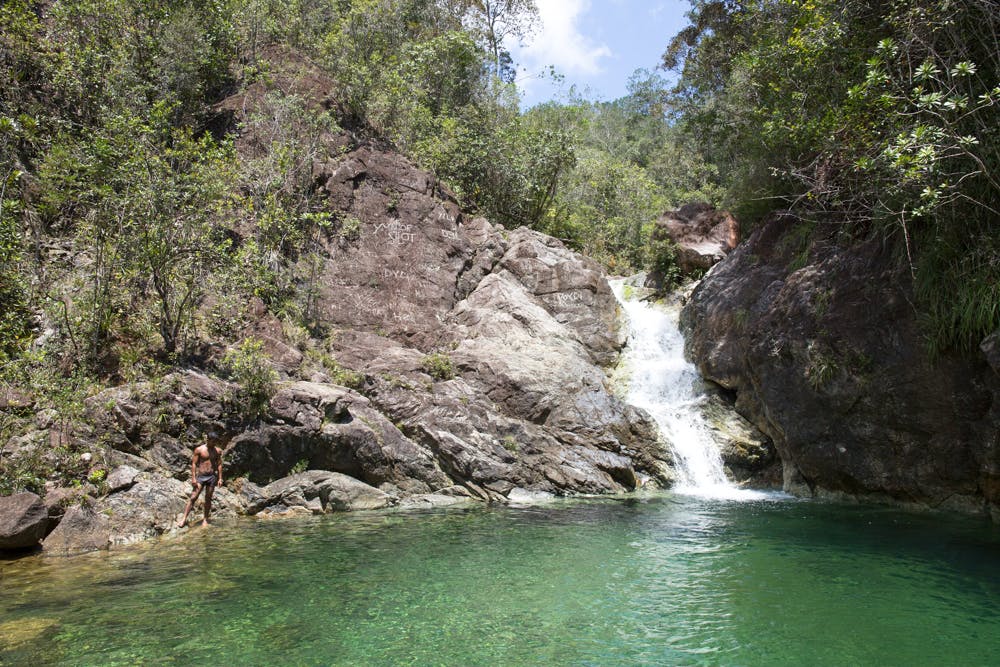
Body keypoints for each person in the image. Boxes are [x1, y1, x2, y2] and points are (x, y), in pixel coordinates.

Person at [177, 435, 225, 528]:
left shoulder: (217, 451)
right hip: (201, 477)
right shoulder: (199, 449)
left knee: (208, 498)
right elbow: (194, 464)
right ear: (208, 440)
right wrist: (193, 478)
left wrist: (220, 478)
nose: (214, 443)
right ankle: (183, 519)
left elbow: (219, 464)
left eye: (215, 441)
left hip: (211, 477)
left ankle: (205, 519)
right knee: (193, 497)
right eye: (212, 441)